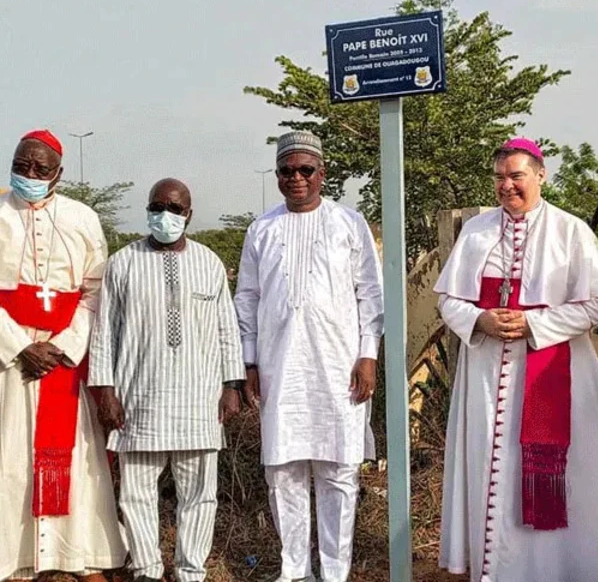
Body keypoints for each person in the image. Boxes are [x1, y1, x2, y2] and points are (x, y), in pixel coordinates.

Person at [434, 138, 598, 582]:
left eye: (516, 176)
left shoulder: (570, 231)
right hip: (486, 380)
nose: (507, 186)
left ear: (541, 175)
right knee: (494, 475)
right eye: (500, 178)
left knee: (570, 485)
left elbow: (595, 305)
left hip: (557, 374)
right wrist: (480, 319)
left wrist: (534, 325)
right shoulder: (476, 232)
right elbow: (448, 301)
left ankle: (561, 571)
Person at [234, 131, 384, 582]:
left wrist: (368, 354)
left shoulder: (348, 223)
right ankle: (294, 570)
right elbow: (247, 298)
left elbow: (370, 295)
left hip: (339, 366)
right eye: (287, 171)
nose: (296, 178)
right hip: (280, 367)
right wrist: (250, 361)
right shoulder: (261, 229)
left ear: (322, 173)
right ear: (277, 175)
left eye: (305, 170)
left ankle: (334, 573)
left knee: (339, 471)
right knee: (283, 470)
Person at [89, 178, 245, 582]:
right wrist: (105, 390)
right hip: (138, 396)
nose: (166, 216)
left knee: (199, 494)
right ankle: (145, 568)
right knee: (137, 493)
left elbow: (227, 329)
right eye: (158, 207)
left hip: (199, 398)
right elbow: (105, 331)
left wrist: (232, 385)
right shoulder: (123, 262)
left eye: (175, 209)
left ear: (189, 215)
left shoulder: (209, 262)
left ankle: (190, 571)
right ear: (147, 209)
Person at [0, 130, 126, 581]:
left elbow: (96, 294)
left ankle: (73, 554)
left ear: (59, 174)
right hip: (9, 359)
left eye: (40, 169)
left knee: (74, 458)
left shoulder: (82, 218)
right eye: (21, 165)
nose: (29, 175)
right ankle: (12, 556)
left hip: (63, 359)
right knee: (8, 456)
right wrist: (20, 346)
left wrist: (66, 346)